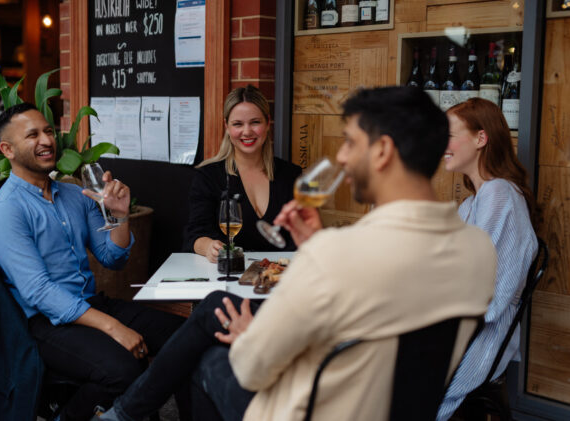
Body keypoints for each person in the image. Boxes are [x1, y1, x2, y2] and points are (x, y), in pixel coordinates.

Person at [94, 86, 498, 421]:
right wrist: (316, 248)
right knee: (214, 312)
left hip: (306, 411)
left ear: (382, 151)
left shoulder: (341, 255)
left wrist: (251, 336)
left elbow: (254, 366)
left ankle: (123, 414)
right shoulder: (479, 250)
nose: (340, 157)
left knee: (201, 352)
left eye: (350, 143)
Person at [0, 103, 184, 421]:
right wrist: (114, 328)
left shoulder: (75, 195)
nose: (46, 140)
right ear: (7, 149)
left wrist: (119, 216)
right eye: (32, 135)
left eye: (48, 131)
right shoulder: (6, 211)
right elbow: (39, 292)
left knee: (185, 336)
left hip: (91, 304)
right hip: (45, 323)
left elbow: (112, 259)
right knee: (124, 369)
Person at [436, 98, 538, 420]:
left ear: (481, 139)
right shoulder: (473, 203)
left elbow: (484, 295)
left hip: (478, 340)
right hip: (460, 328)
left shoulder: (500, 195)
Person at [183, 84, 302, 262]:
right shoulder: (208, 176)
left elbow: (303, 234)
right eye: (238, 124)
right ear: (227, 127)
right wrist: (209, 246)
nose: (247, 131)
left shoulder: (291, 174)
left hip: (279, 275)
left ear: (267, 123)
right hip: (228, 275)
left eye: (255, 122)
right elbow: (195, 234)